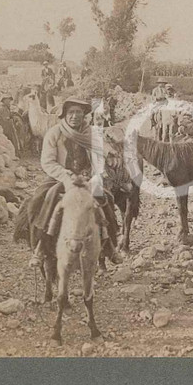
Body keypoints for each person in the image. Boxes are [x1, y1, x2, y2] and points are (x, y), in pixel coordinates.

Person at [21, 97, 123, 267]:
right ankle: (40, 245)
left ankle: (109, 245)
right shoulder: (54, 133)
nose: (75, 116)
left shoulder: (90, 132)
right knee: (43, 198)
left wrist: (97, 169)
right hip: (60, 177)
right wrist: (65, 174)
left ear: (84, 115)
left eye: (78, 113)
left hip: (86, 178)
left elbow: (100, 153)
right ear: (64, 114)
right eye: (71, 112)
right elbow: (47, 161)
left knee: (106, 199)